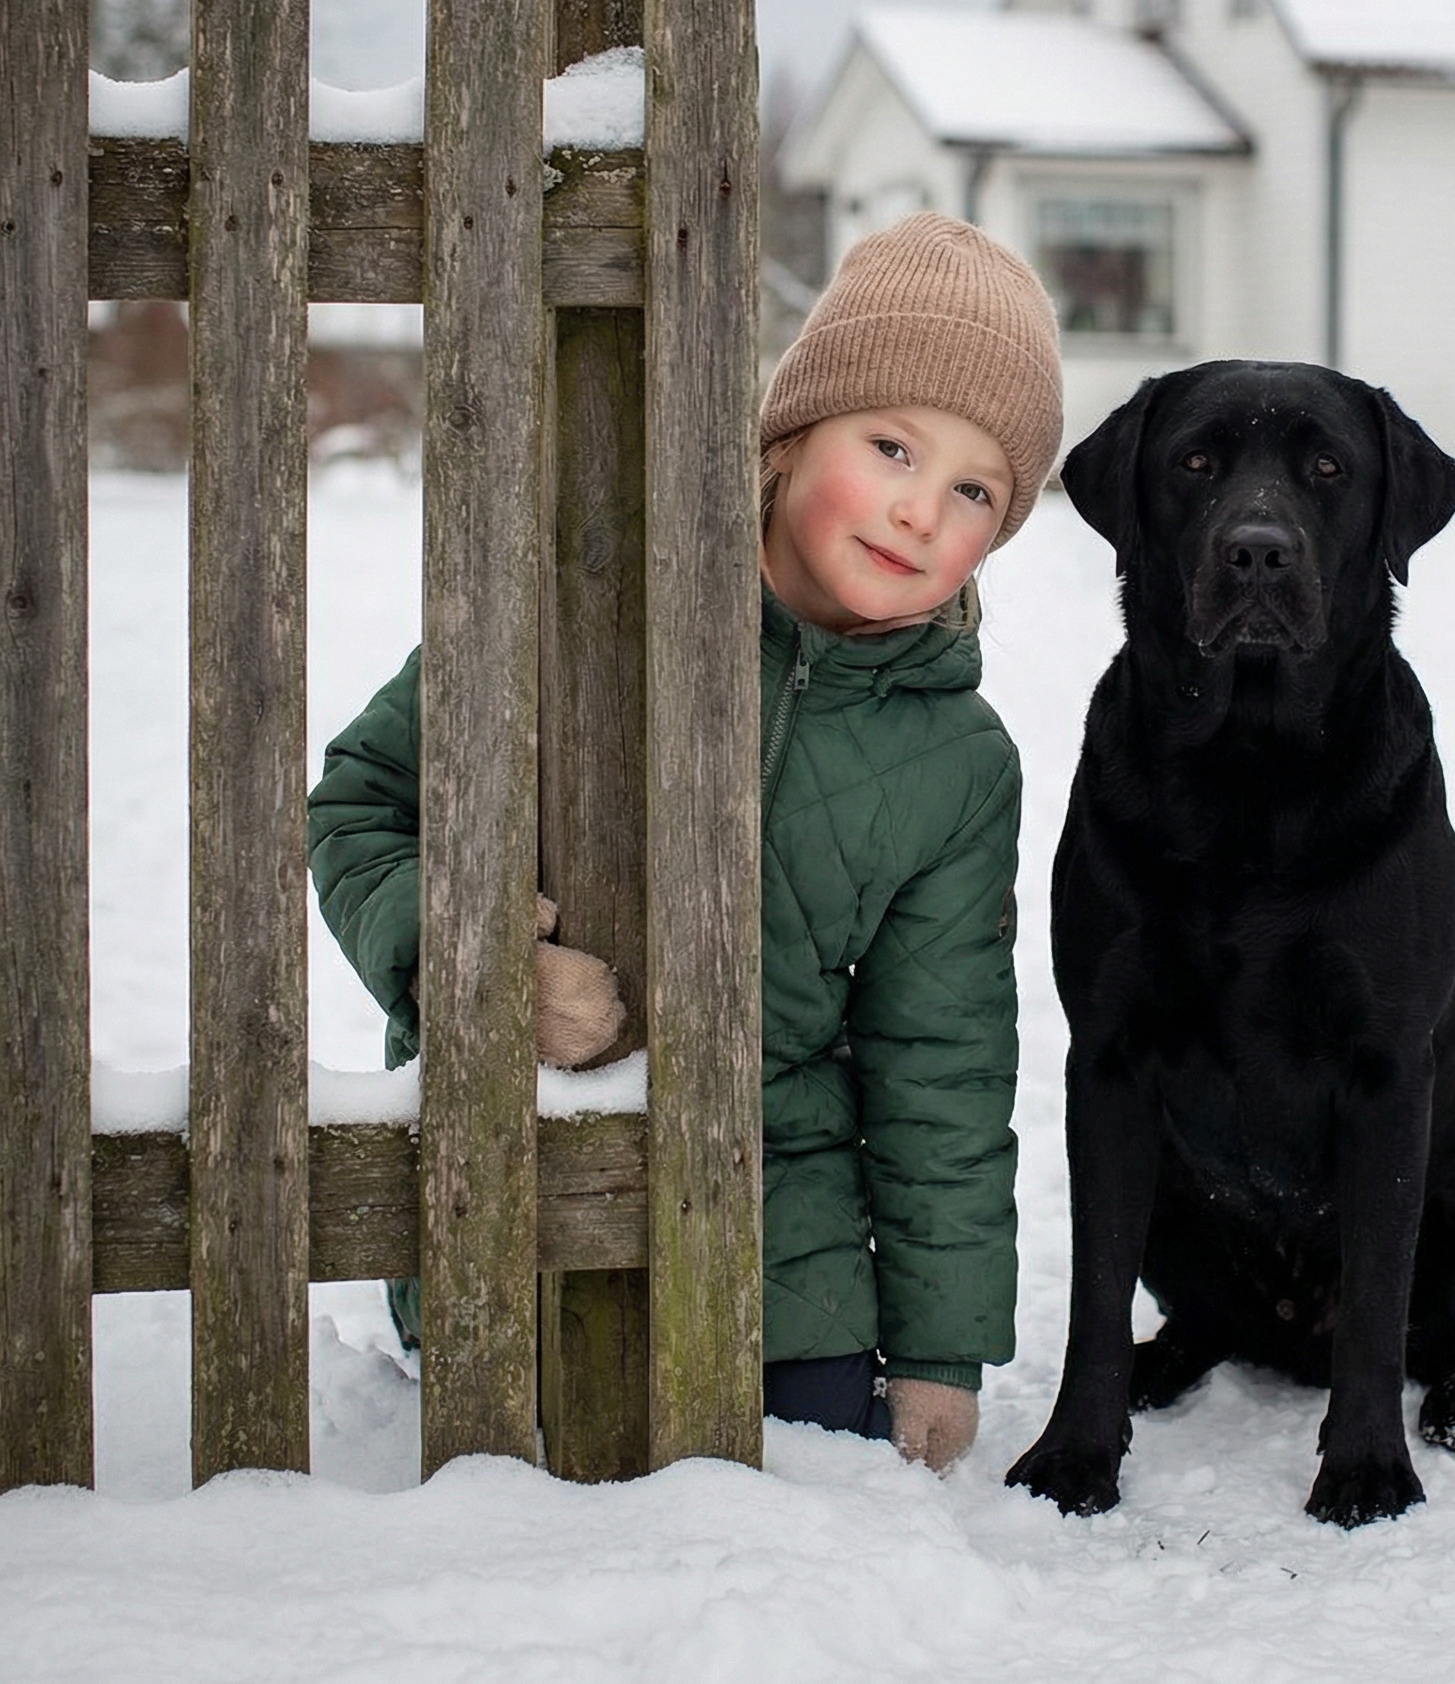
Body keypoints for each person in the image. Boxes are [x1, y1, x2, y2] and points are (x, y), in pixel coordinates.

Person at [308, 211, 1064, 1475]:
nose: (917, 507)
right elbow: (363, 804)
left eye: (973, 487)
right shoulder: (589, 598)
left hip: (785, 1250)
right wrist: (473, 961)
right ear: (789, 433)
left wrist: (939, 1348)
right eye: (889, 444)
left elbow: (941, 1061)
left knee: (782, 1517)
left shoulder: (959, 762)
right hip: (514, 1198)